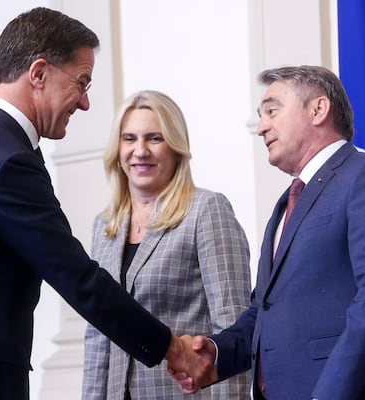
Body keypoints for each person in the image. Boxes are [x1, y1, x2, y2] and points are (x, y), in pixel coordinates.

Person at [0, 8, 215, 400]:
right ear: (38, 73)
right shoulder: (9, 162)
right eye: (81, 83)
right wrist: (173, 349)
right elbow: (78, 279)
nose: (84, 103)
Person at [172, 65, 365, 399]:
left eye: (272, 110)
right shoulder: (287, 203)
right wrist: (216, 353)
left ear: (318, 109)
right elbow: (264, 311)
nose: (262, 126)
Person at [81, 90, 252, 400]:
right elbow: (97, 336)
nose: (140, 151)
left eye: (155, 138)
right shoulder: (105, 226)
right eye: (129, 138)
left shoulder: (205, 210)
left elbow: (234, 331)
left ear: (176, 149)